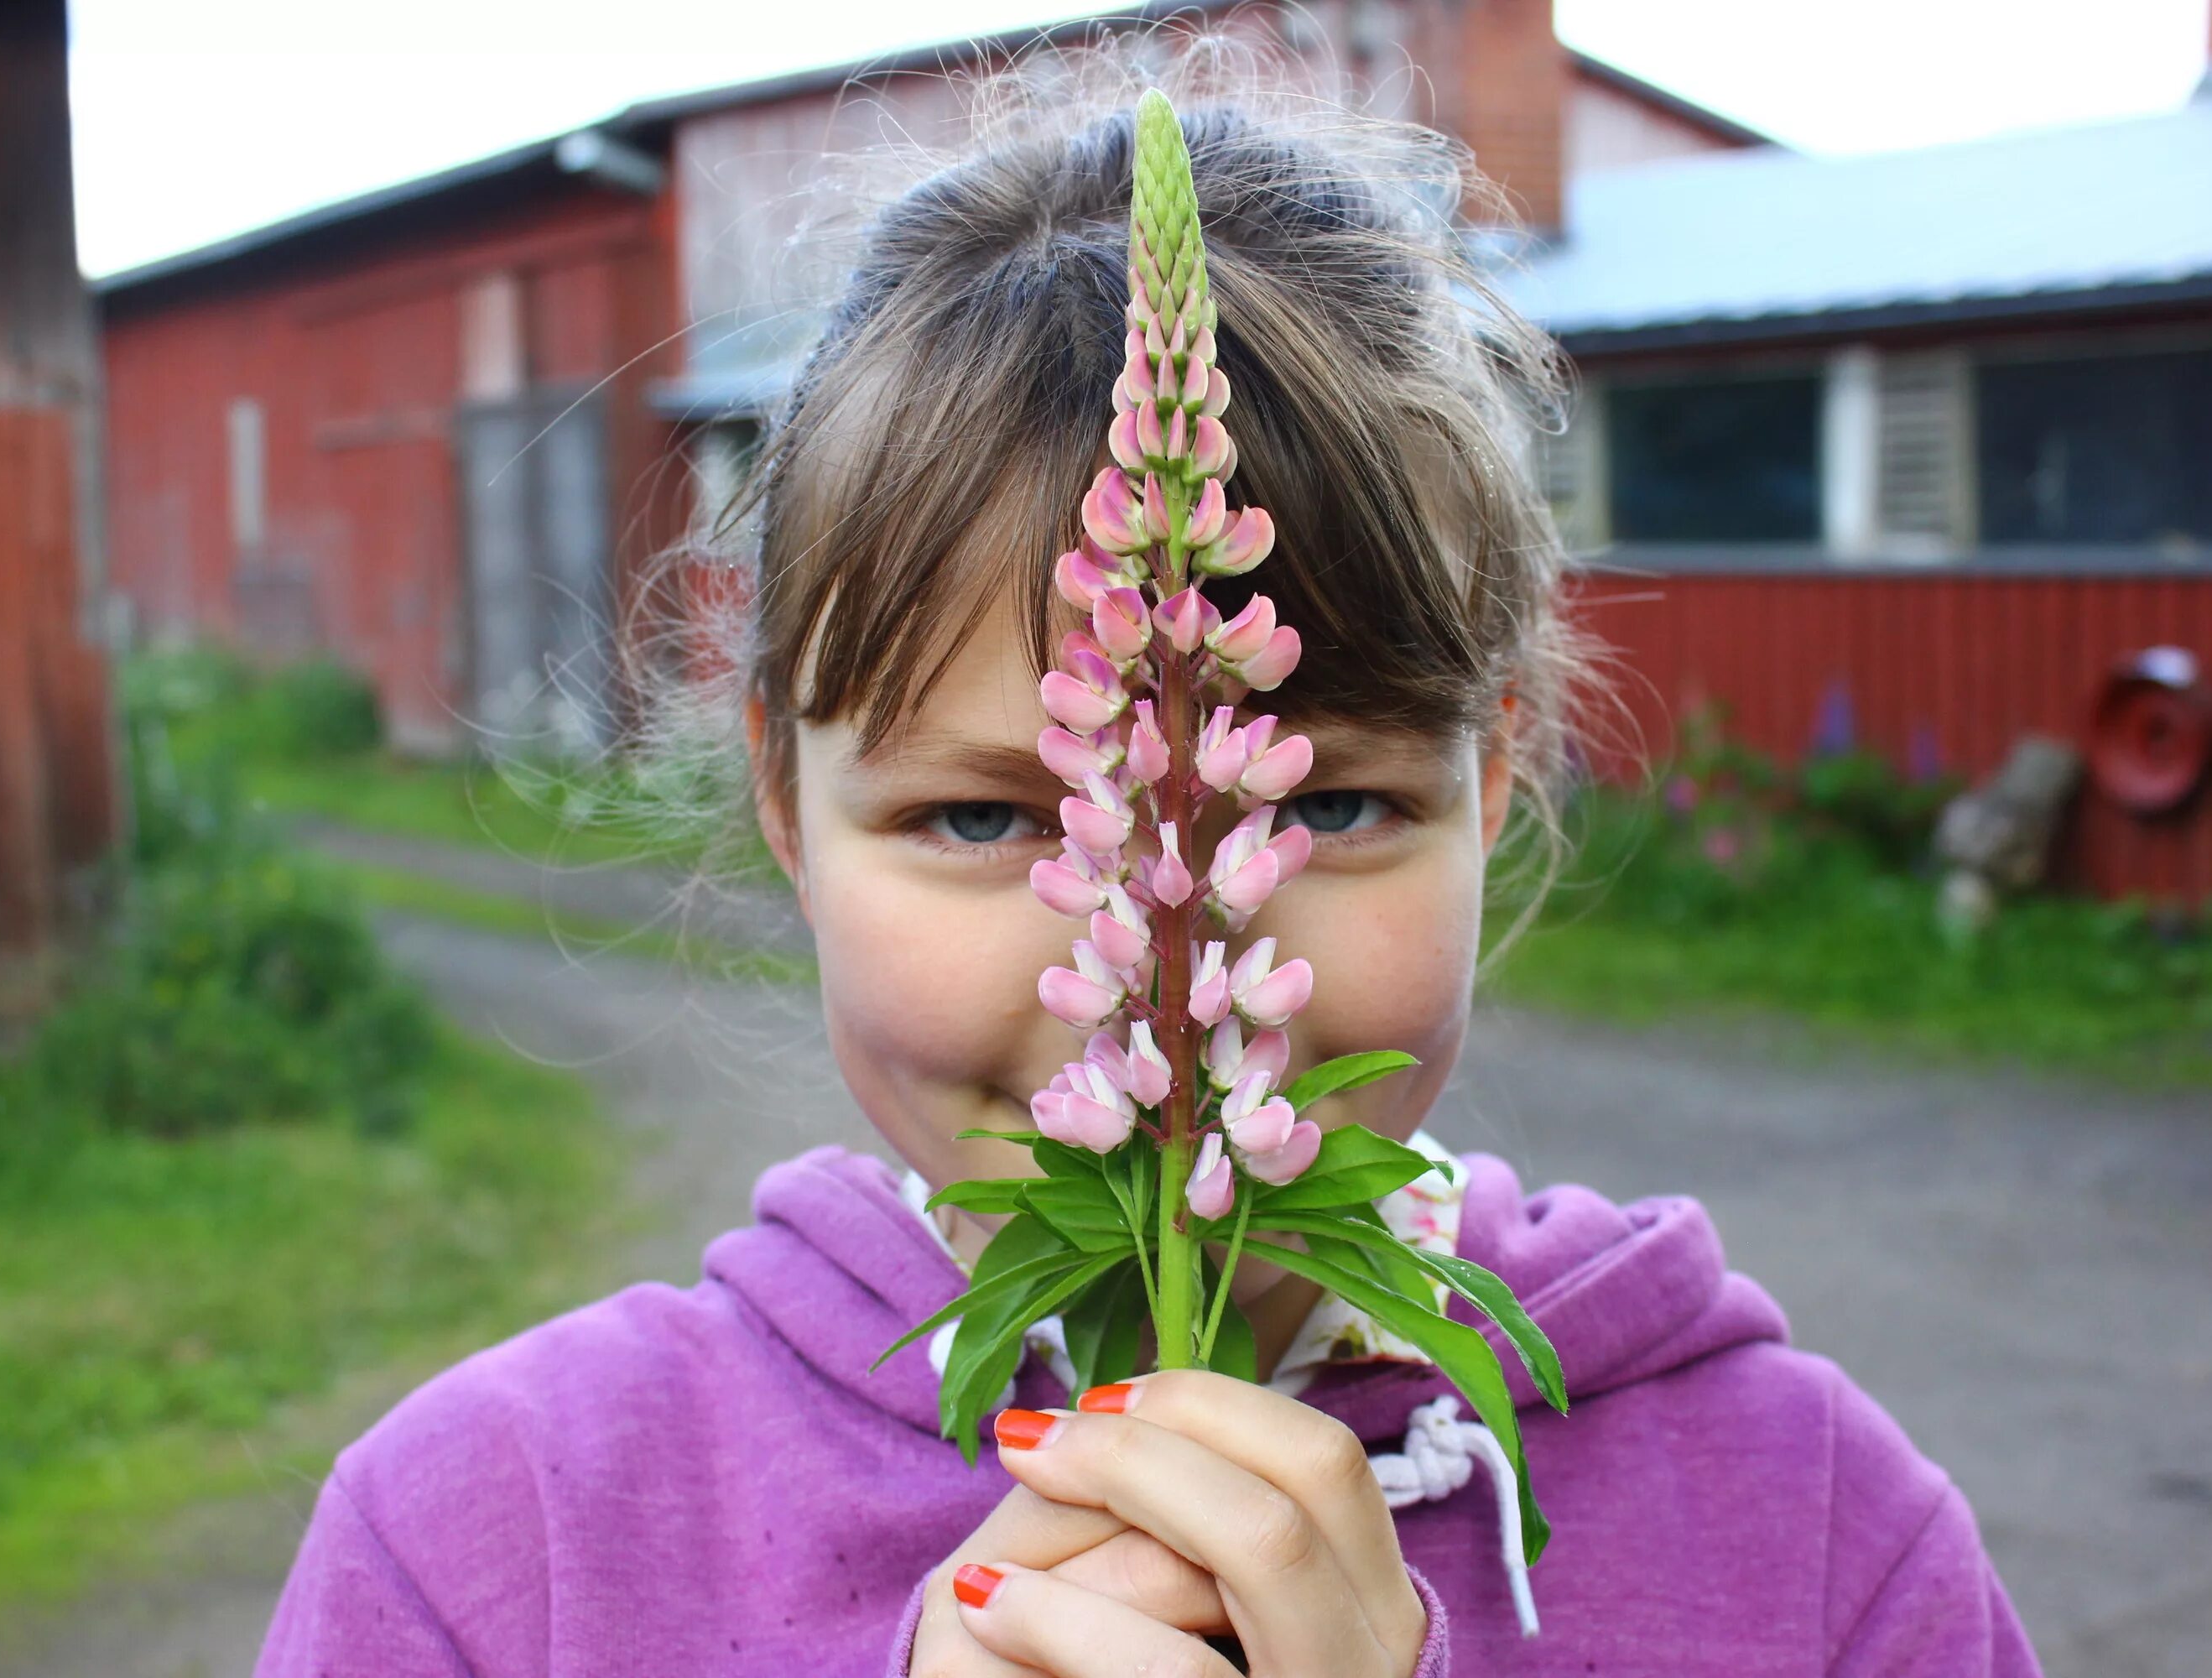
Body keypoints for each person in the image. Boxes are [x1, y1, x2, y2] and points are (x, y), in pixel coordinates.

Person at [254, 38, 2041, 1678]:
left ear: (1497, 782)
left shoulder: (1825, 1539)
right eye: (986, 819)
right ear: (787, 812)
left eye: (1327, 806)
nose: (1156, 988)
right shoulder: (486, 1548)